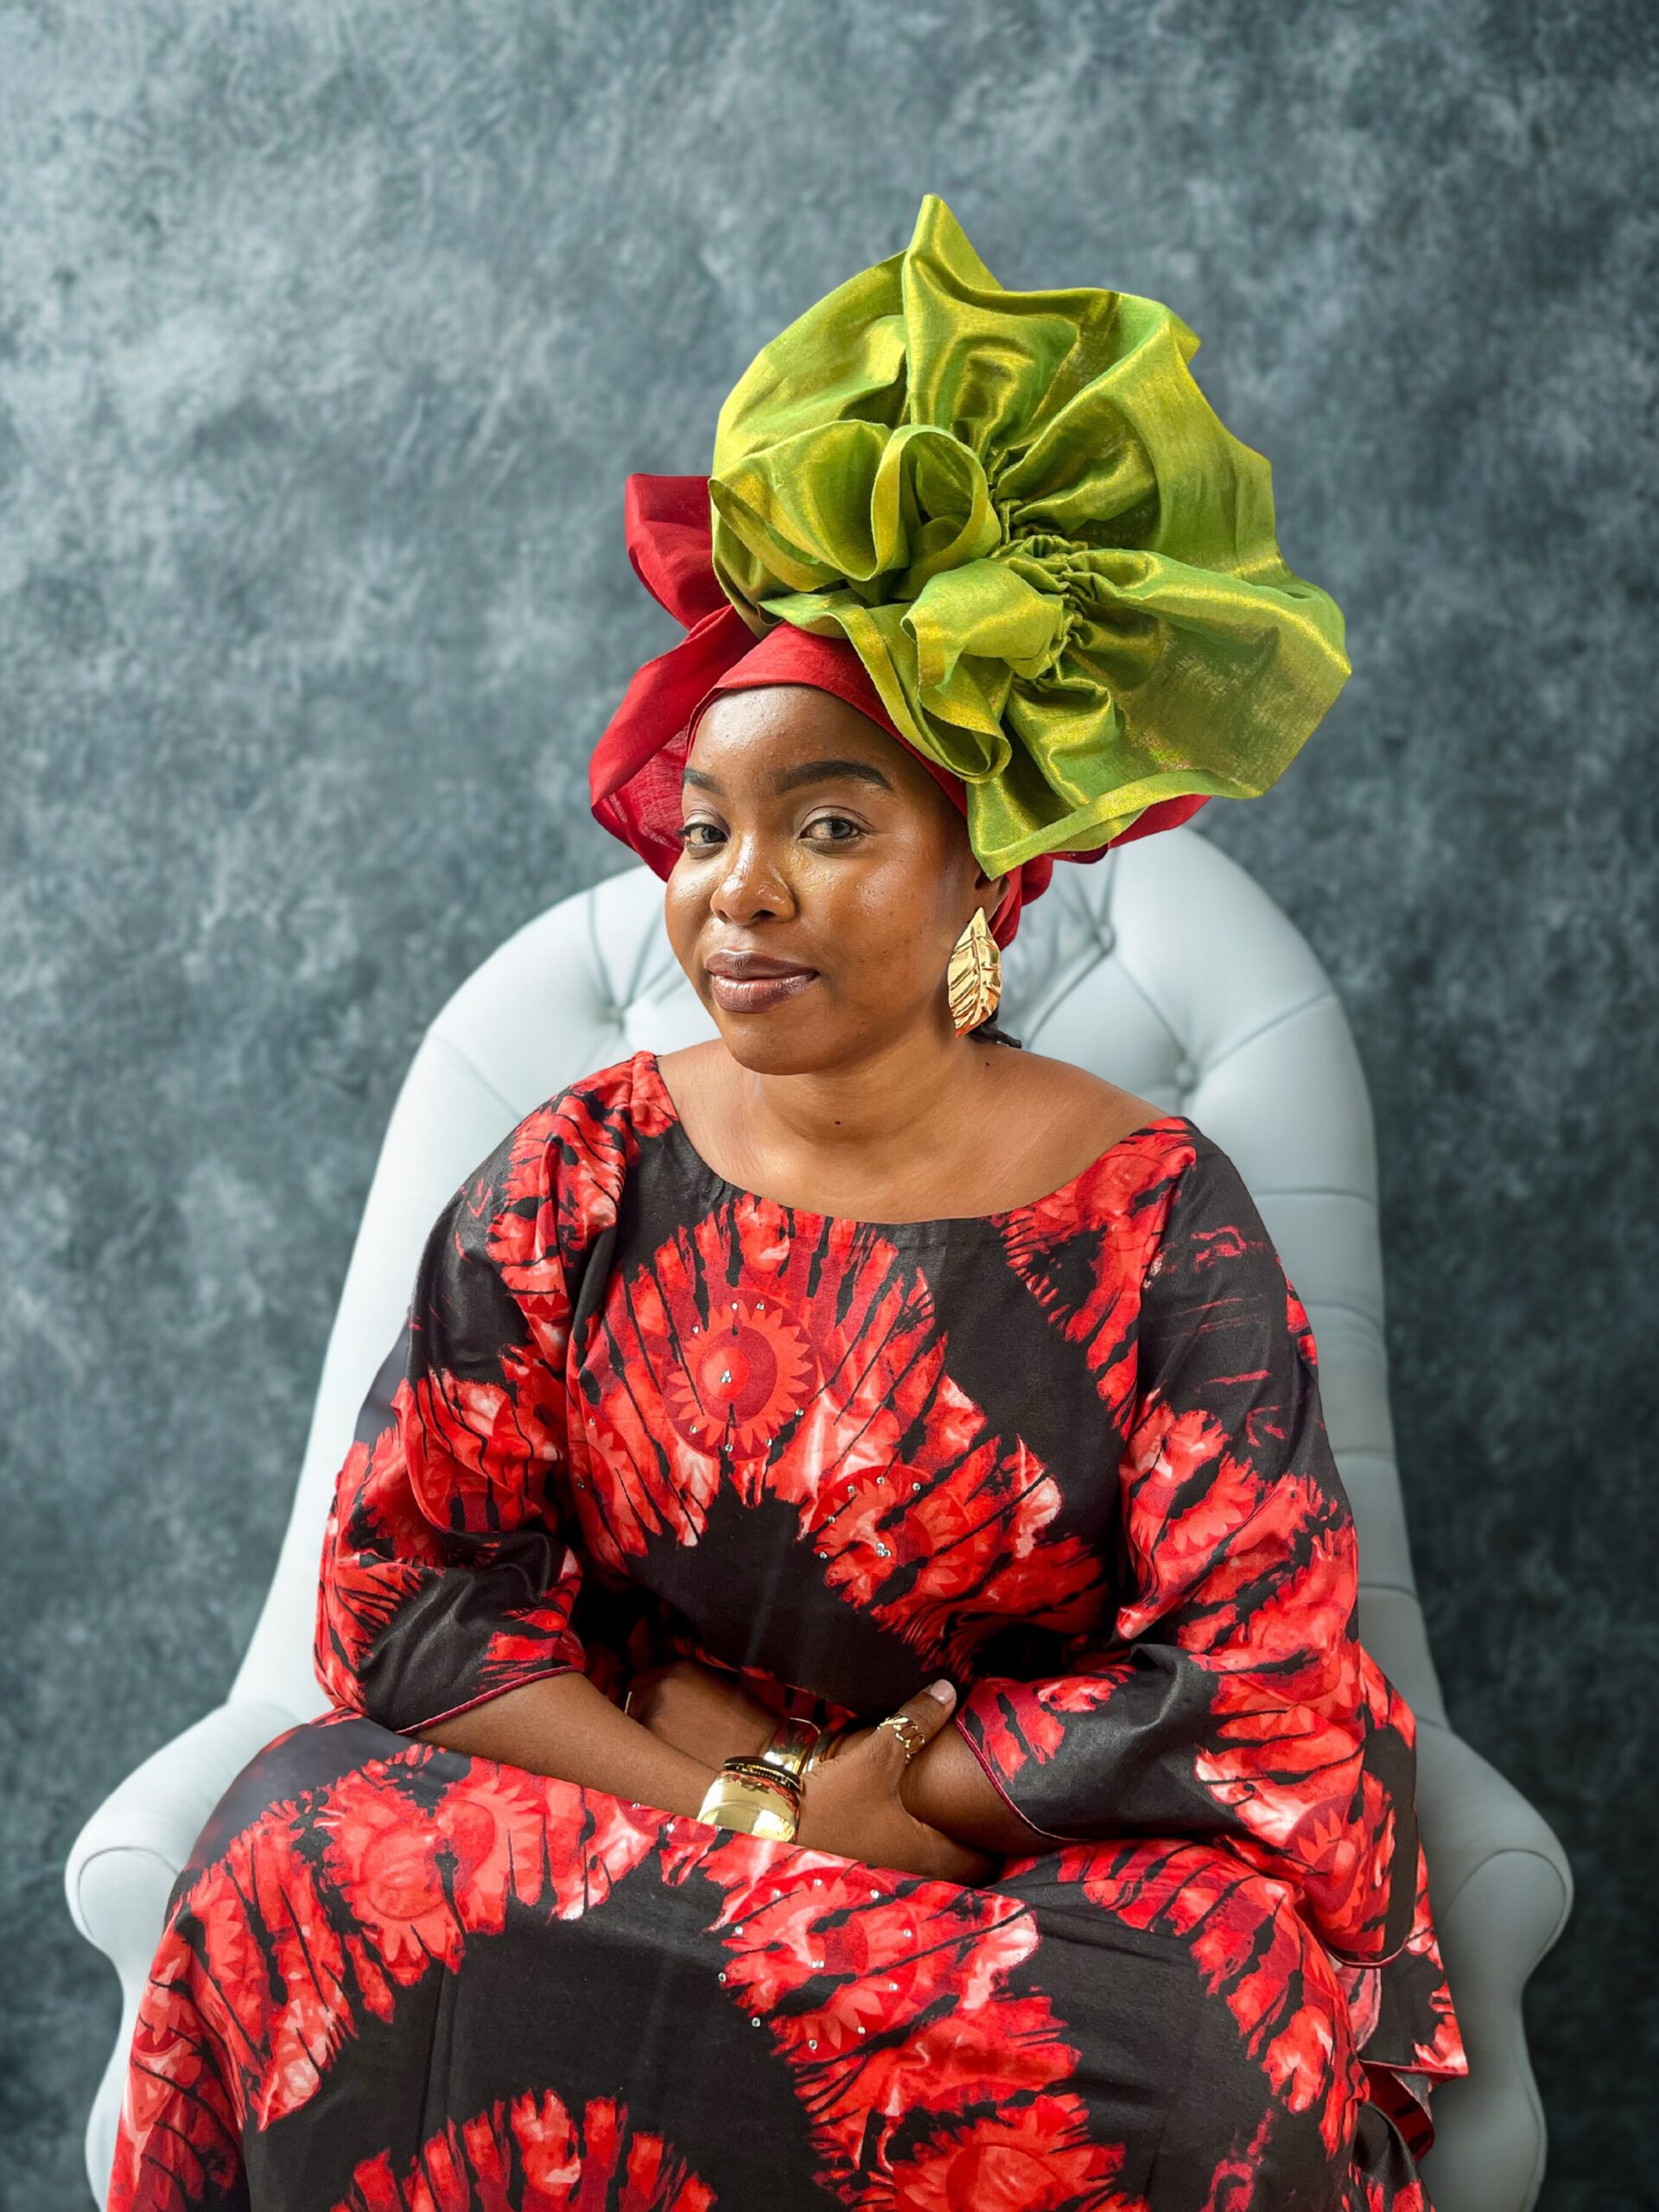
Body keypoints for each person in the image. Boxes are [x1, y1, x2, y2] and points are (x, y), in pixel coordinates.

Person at [108, 196, 1465, 2211]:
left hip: (1004, 1883)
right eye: (704, 829)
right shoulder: (577, 1169)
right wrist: (744, 1801)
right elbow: (420, 1593)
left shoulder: (1152, 1210)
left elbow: (1243, 1671)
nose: (739, 892)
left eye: (829, 824)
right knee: (296, 1846)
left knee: (1201, 2038)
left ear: (978, 872)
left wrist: (885, 1794)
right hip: (644, 1828)